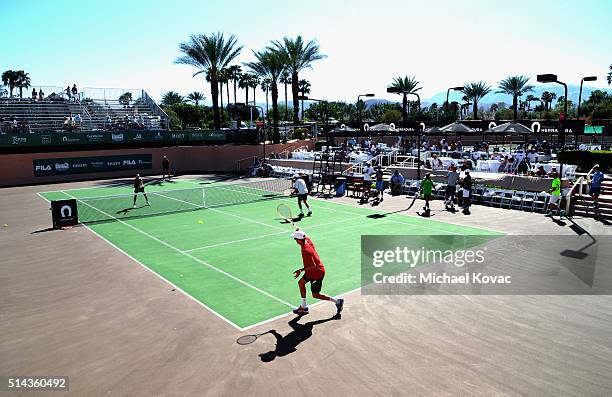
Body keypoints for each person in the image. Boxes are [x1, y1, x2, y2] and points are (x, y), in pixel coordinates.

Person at [291, 229, 343, 316]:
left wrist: (300, 270)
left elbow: (313, 265)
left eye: (295, 239)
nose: (295, 241)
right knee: (301, 283)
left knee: (315, 295)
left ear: (299, 240)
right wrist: (298, 230)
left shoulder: (306, 250)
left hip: (317, 273)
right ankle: (303, 307)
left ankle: (338, 302)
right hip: (311, 272)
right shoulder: (307, 241)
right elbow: (305, 235)